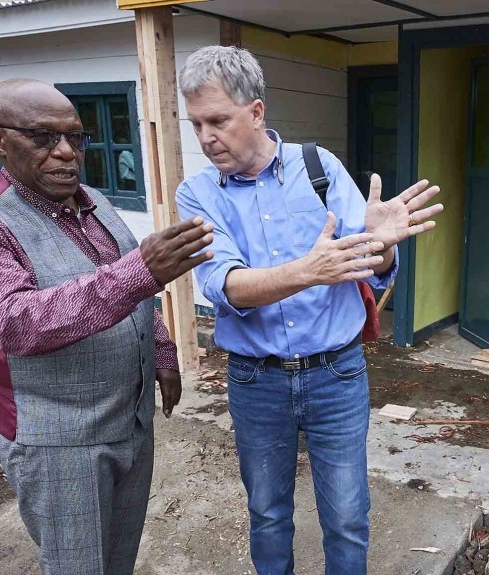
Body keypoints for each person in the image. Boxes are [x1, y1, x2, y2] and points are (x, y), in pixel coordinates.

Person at [174, 46, 444, 575]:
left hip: (337, 374)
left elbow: (368, 259)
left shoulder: (318, 167)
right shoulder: (198, 193)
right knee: (268, 513)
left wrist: (383, 244)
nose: (206, 137)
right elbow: (223, 284)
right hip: (256, 382)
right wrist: (310, 270)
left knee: (346, 514)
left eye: (218, 120)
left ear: (255, 112)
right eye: (196, 123)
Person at [0, 78, 214, 575]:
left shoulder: (93, 202)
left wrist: (163, 353)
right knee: (77, 565)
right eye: (43, 138)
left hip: (127, 420)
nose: (66, 153)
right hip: (58, 439)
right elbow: (14, 323)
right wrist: (139, 272)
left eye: (76, 138)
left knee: (118, 557)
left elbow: (138, 291)